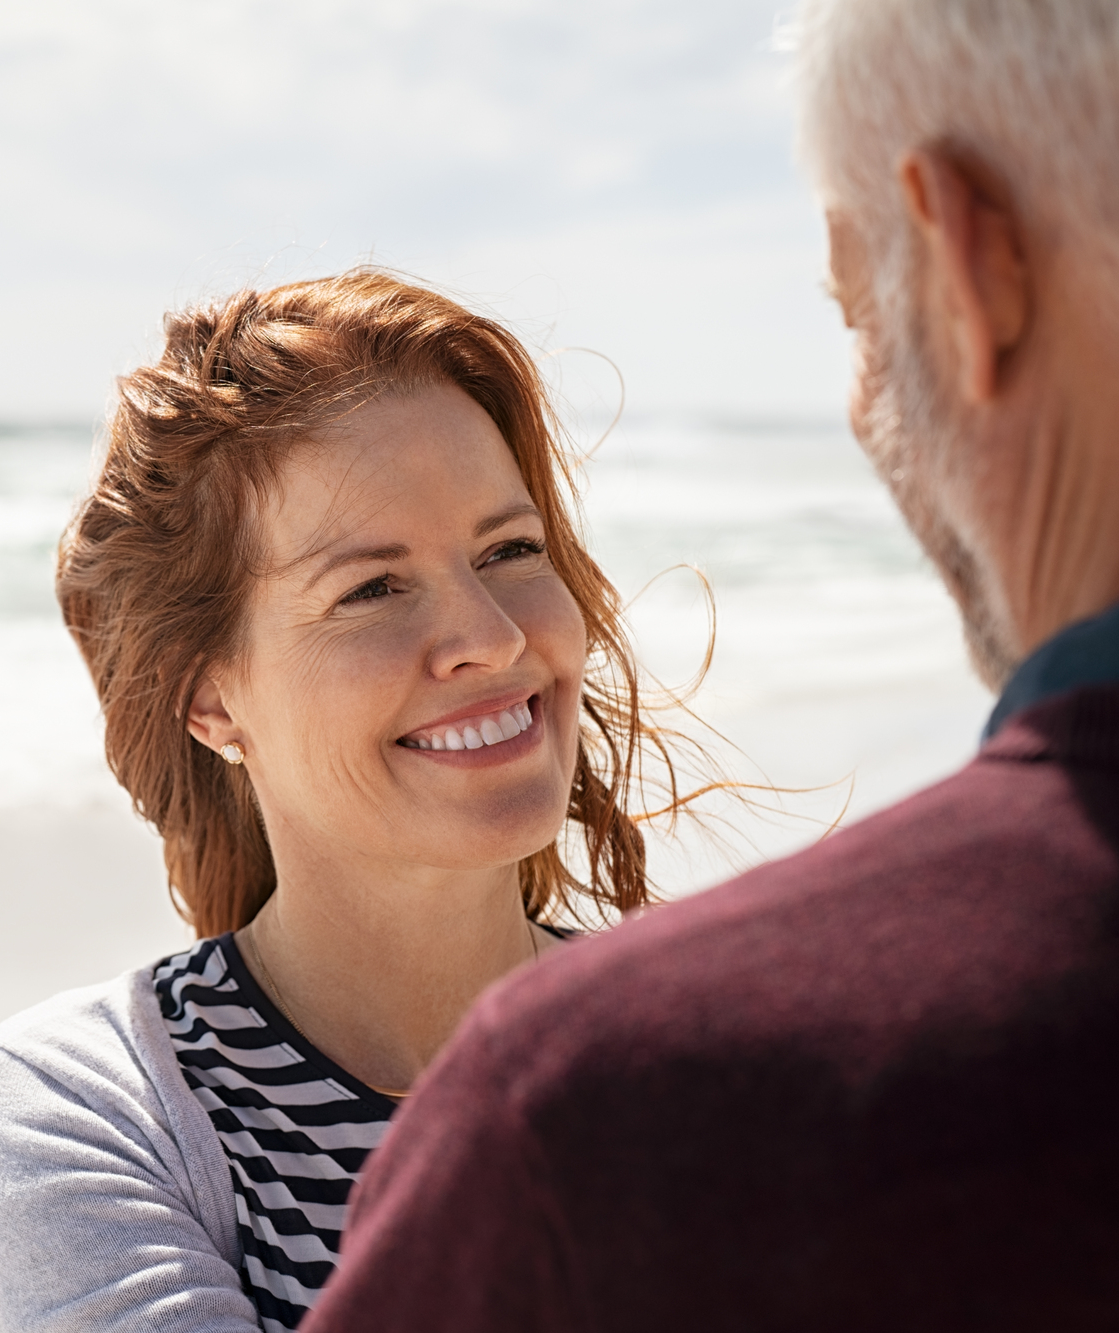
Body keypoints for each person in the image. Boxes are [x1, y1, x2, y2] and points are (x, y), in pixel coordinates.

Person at [302, 3, 1119, 1331]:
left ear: (973, 267)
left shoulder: (612, 1108)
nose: (488, 638)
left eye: (858, 314)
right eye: (372, 583)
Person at [0, 270, 721, 1333]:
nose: (493, 638)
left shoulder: (715, 1047)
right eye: (371, 587)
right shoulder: (96, 1103)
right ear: (208, 696)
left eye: (508, 550)